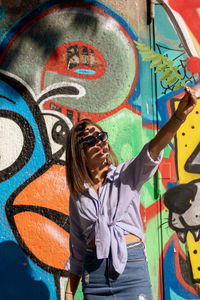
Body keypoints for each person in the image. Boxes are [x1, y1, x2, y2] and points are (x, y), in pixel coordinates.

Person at [65, 87, 197, 300]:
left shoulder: (126, 175)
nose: (99, 142)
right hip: (94, 278)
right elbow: (78, 248)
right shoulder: (78, 196)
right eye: (90, 141)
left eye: (100, 136)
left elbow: (152, 151)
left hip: (131, 271)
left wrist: (178, 117)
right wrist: (70, 292)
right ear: (78, 153)